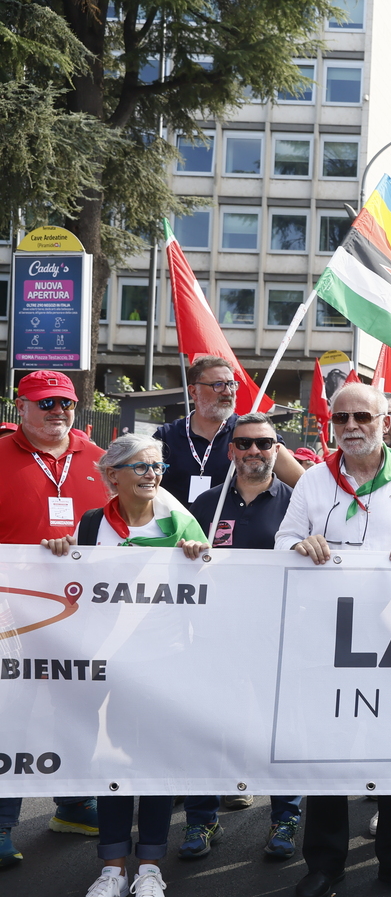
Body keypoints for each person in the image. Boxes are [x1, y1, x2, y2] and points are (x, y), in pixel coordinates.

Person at [275, 383, 391, 897]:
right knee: (327, 752)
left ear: (386, 421)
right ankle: (324, 865)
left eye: (362, 417)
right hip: (327, 638)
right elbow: (282, 542)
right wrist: (299, 545)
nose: (350, 426)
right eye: (341, 417)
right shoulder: (312, 481)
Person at [41, 434, 209, 897]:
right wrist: (60, 552)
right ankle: (112, 867)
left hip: (165, 663)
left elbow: (215, 587)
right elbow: (75, 582)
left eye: (157, 466)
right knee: (110, 763)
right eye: (140, 467)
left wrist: (200, 559)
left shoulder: (180, 522)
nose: (152, 474)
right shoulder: (93, 524)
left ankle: (150, 866)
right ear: (112, 475)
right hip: (108, 663)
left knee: (154, 764)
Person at [0, 371, 110, 869]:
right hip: (12, 616)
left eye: (64, 403)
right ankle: (2, 825)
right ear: (21, 407)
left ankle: (72, 803)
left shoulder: (98, 459)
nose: (56, 413)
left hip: (84, 614)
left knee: (78, 709)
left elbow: (139, 512)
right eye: (44, 405)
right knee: (10, 719)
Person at [182, 413, 301, 860]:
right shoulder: (205, 504)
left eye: (264, 444)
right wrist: (188, 551)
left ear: (277, 449)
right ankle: (201, 819)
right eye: (245, 444)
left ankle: (285, 817)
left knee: (280, 732)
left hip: (280, 637)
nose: (254, 451)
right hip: (215, 637)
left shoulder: (299, 504)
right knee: (209, 729)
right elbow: (181, 566)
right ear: (231, 450)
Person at [154, 356, 302, 506]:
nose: (227, 392)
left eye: (231, 384)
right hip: (177, 527)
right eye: (218, 385)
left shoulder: (251, 433)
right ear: (193, 391)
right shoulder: (166, 436)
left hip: (232, 527)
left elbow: (304, 485)